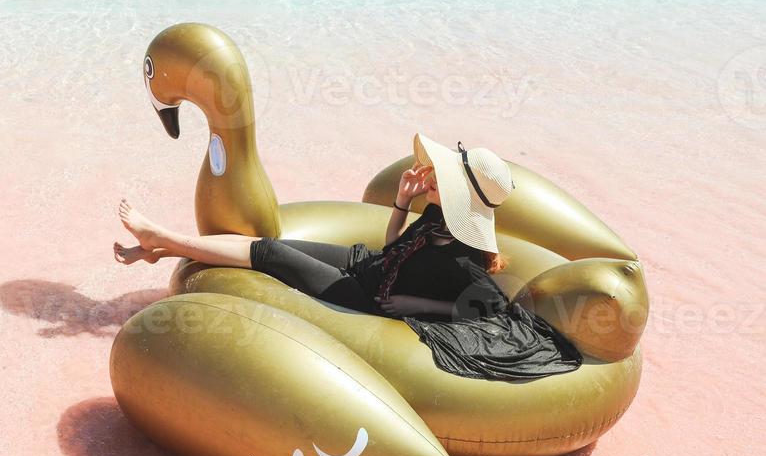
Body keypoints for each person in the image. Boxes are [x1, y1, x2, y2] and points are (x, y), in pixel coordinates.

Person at [114, 133, 582, 381]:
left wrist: (421, 308)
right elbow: (395, 247)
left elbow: (491, 312)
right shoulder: (437, 215)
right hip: (368, 264)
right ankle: (163, 245)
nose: (431, 178)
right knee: (281, 246)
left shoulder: (465, 262)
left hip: (363, 295)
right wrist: (401, 203)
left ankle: (163, 240)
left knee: (270, 253)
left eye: (441, 179)